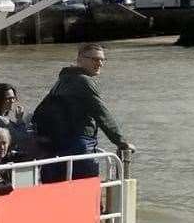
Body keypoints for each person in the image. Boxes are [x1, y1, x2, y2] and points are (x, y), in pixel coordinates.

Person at [34, 43, 132, 181]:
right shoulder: (84, 82)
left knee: (58, 188)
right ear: (80, 59)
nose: (100, 64)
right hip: (80, 143)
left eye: (102, 60)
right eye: (95, 59)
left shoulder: (62, 80)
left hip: (56, 144)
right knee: (86, 187)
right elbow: (102, 114)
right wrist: (121, 142)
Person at [0, 82, 34, 157]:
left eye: (13, 98)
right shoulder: (0, 120)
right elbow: (22, 139)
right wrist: (20, 119)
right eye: (8, 99)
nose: (12, 101)